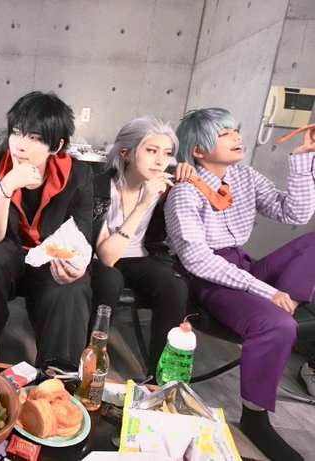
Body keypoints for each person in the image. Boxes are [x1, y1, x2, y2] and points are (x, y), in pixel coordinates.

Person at [165, 108, 315, 461]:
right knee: (278, 325)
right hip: (208, 279)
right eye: (225, 133)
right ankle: (255, 419)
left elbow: (295, 214)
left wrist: (301, 159)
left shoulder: (245, 176)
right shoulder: (185, 192)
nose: (236, 137)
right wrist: (269, 292)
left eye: (235, 130)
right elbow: (199, 261)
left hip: (244, 266)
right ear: (198, 150)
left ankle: (291, 301)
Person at [0, 91, 94, 367]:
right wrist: (7, 187)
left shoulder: (78, 177)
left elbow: (81, 239)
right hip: (6, 254)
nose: (21, 146)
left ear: (56, 145)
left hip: (48, 259)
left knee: (73, 286)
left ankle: (57, 374)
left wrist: (78, 266)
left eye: (35, 138)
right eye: (16, 133)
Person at [91, 115, 192, 376]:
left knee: (174, 285)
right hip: (100, 259)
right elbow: (107, 257)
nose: (160, 161)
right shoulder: (100, 186)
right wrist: (143, 205)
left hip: (141, 257)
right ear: (126, 153)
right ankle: (90, 364)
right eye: (151, 151)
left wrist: (190, 171)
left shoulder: (165, 187)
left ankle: (160, 377)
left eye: (167, 153)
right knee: (108, 279)